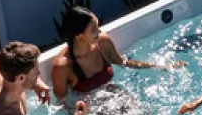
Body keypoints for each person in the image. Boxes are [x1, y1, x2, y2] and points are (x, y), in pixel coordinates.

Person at [51, 6, 180, 99]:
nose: (99, 32)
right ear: (78, 35)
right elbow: (62, 102)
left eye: (98, 26)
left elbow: (123, 62)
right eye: (93, 29)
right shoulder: (63, 66)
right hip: (91, 112)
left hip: (115, 96)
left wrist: (161, 67)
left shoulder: (102, 42)